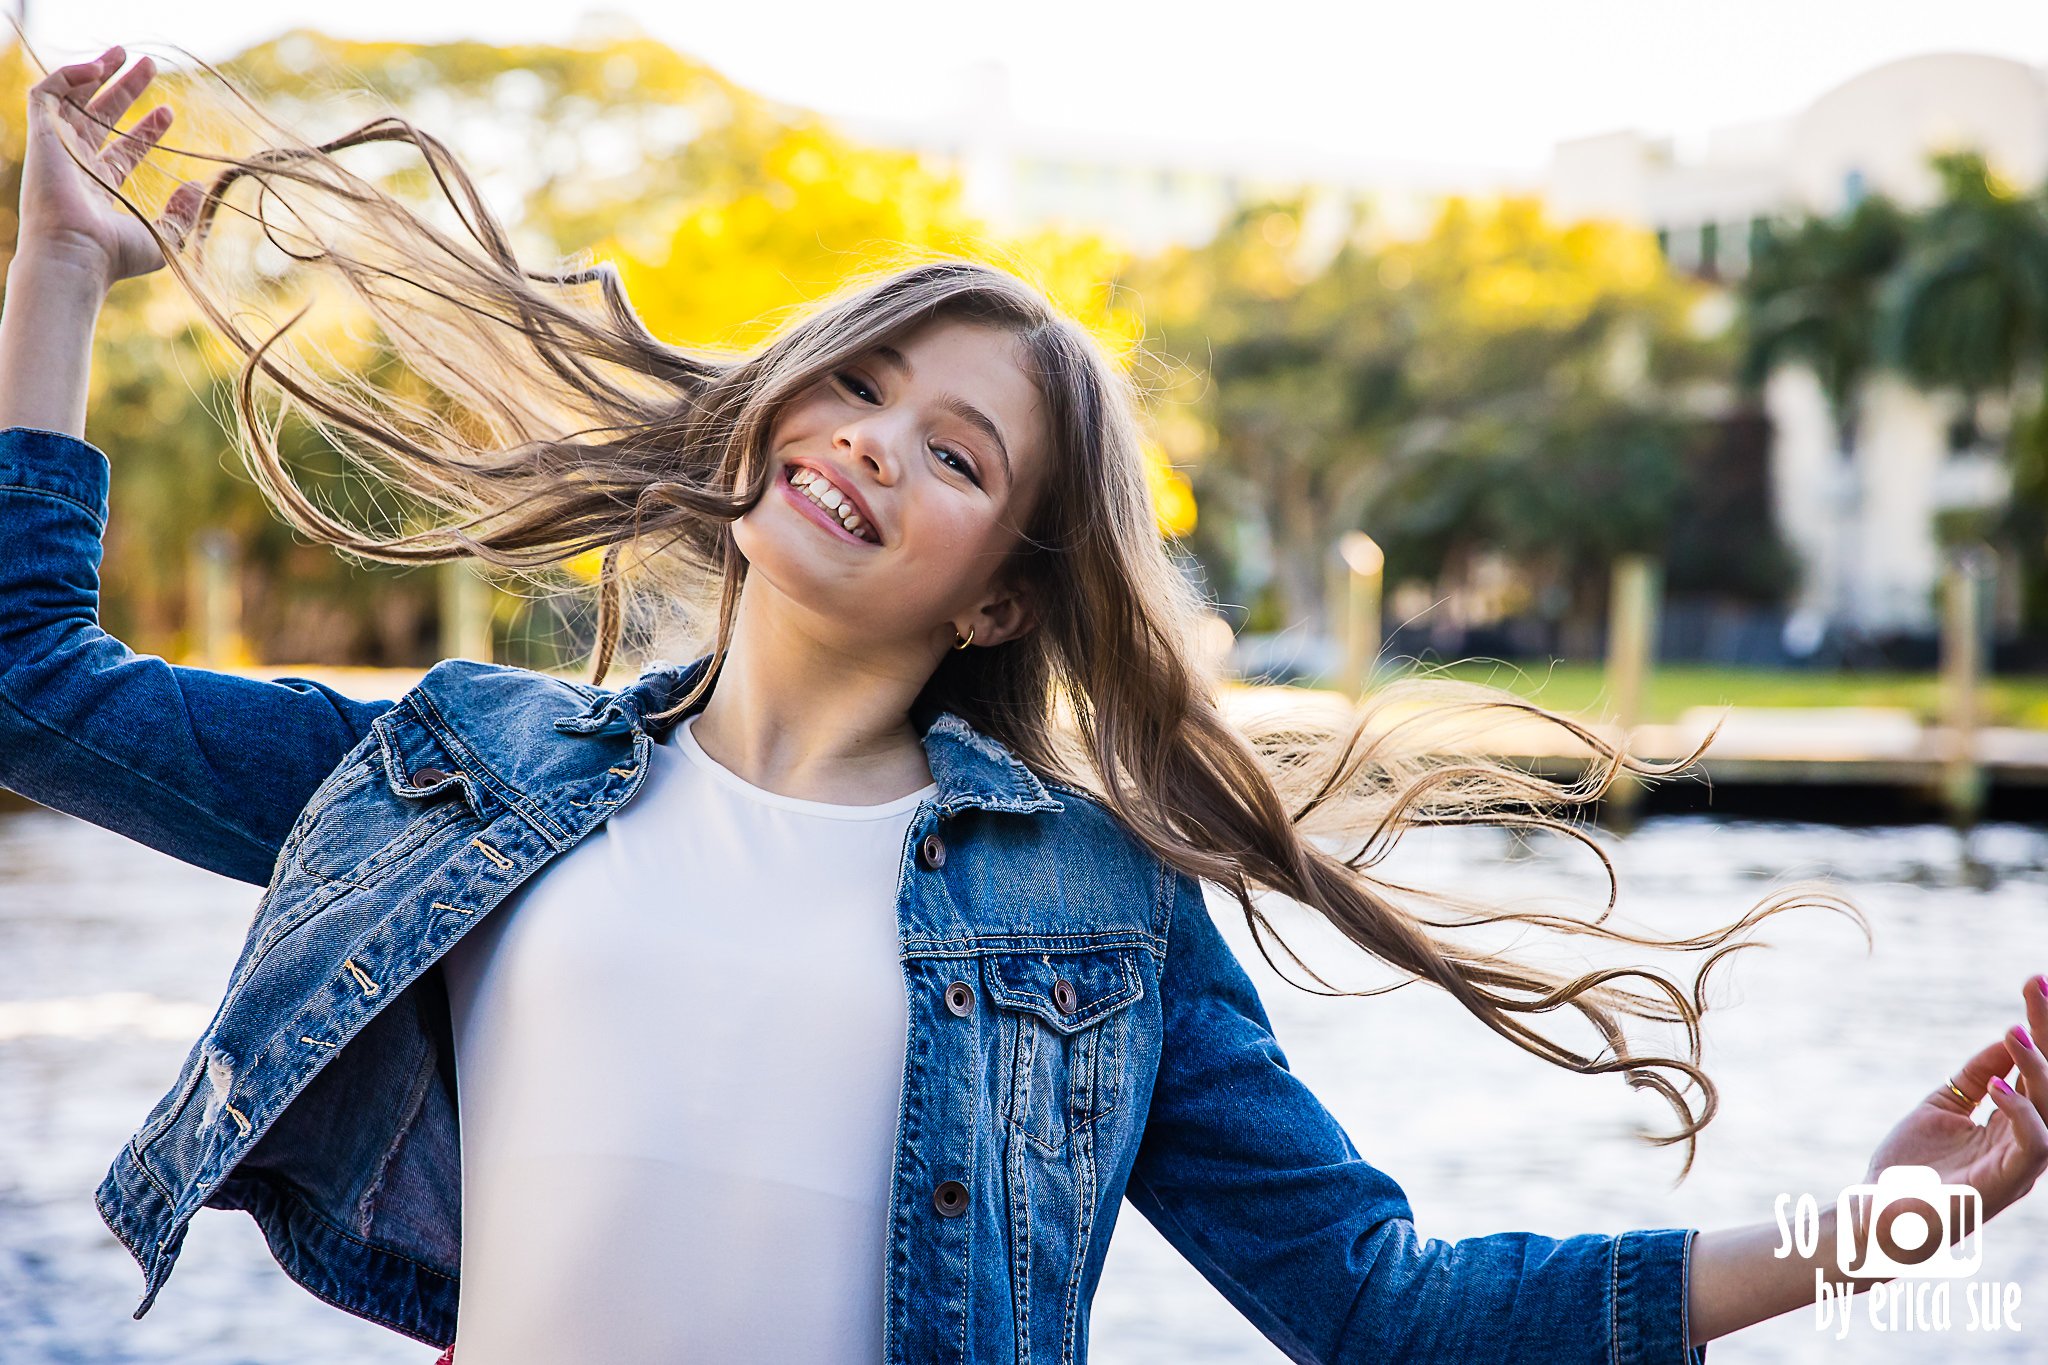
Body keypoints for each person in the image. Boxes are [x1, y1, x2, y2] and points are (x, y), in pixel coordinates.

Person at [3, 41, 2043, 1364]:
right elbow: (35, 686)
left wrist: (1864, 1222)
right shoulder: (468, 770)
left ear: (998, 593)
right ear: (776, 415)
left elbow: (1378, 1305)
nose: (874, 445)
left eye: (960, 457)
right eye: (859, 383)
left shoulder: (1097, 906)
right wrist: (61, 276)